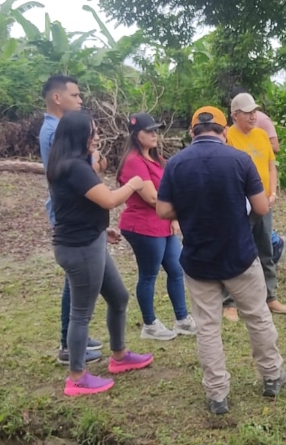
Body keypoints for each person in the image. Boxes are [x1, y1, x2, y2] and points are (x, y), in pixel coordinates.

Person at [156, 106, 286, 415]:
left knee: (207, 328)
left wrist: (190, 207)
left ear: (192, 132)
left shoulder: (175, 164)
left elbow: (163, 210)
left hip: (198, 260)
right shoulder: (240, 160)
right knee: (257, 316)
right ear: (224, 130)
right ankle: (271, 376)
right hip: (239, 256)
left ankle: (217, 394)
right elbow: (261, 207)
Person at [47, 111, 156, 396]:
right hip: (80, 249)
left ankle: (119, 356)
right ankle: (77, 377)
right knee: (81, 312)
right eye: (92, 132)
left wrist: (100, 230)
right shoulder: (75, 167)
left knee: (118, 297)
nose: (96, 137)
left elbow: (77, 207)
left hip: (89, 240)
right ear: (78, 136)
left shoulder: (70, 164)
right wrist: (133, 184)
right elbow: (108, 200)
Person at [39, 75, 103, 365]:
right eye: (75, 95)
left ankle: (76, 338)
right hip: (71, 215)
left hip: (73, 211)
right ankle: (69, 343)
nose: (80, 100)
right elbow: (89, 172)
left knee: (76, 282)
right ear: (57, 98)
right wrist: (96, 156)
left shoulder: (56, 128)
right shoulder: (58, 132)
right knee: (76, 282)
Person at [117, 113, 196, 341]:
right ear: (135, 135)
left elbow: (171, 189)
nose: (154, 135)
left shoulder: (156, 158)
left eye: (155, 130)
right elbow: (152, 197)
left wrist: (173, 217)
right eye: (148, 131)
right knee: (149, 274)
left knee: (176, 269)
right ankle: (150, 324)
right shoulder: (134, 161)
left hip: (162, 223)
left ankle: (182, 318)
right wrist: (178, 210)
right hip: (143, 225)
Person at [222, 93, 286, 318]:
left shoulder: (261, 135)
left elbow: (271, 166)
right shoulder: (228, 138)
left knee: (265, 248)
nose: (253, 116)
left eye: (254, 112)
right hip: (239, 205)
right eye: (247, 113)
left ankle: (270, 296)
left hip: (263, 202)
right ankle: (230, 302)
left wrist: (272, 193)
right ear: (235, 115)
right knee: (235, 250)